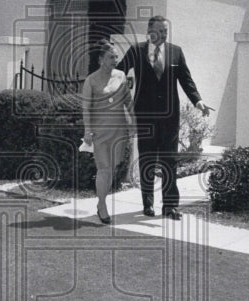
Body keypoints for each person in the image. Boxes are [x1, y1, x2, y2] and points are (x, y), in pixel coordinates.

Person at [119, 16, 211, 220]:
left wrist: (198, 101)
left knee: (170, 161)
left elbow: (186, 80)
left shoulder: (176, 51)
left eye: (165, 32)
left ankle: (170, 207)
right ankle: (147, 204)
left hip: (170, 116)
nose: (162, 35)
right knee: (147, 160)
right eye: (159, 31)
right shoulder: (136, 50)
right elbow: (119, 71)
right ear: (149, 31)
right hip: (145, 116)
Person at [81, 39, 135, 225]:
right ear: (101, 59)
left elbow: (128, 101)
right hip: (99, 131)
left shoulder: (121, 76)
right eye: (111, 56)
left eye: (116, 57)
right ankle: (102, 205)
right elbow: (86, 108)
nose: (115, 59)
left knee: (111, 168)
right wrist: (87, 129)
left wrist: (133, 123)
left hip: (119, 130)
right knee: (103, 168)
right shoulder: (91, 80)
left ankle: (101, 201)